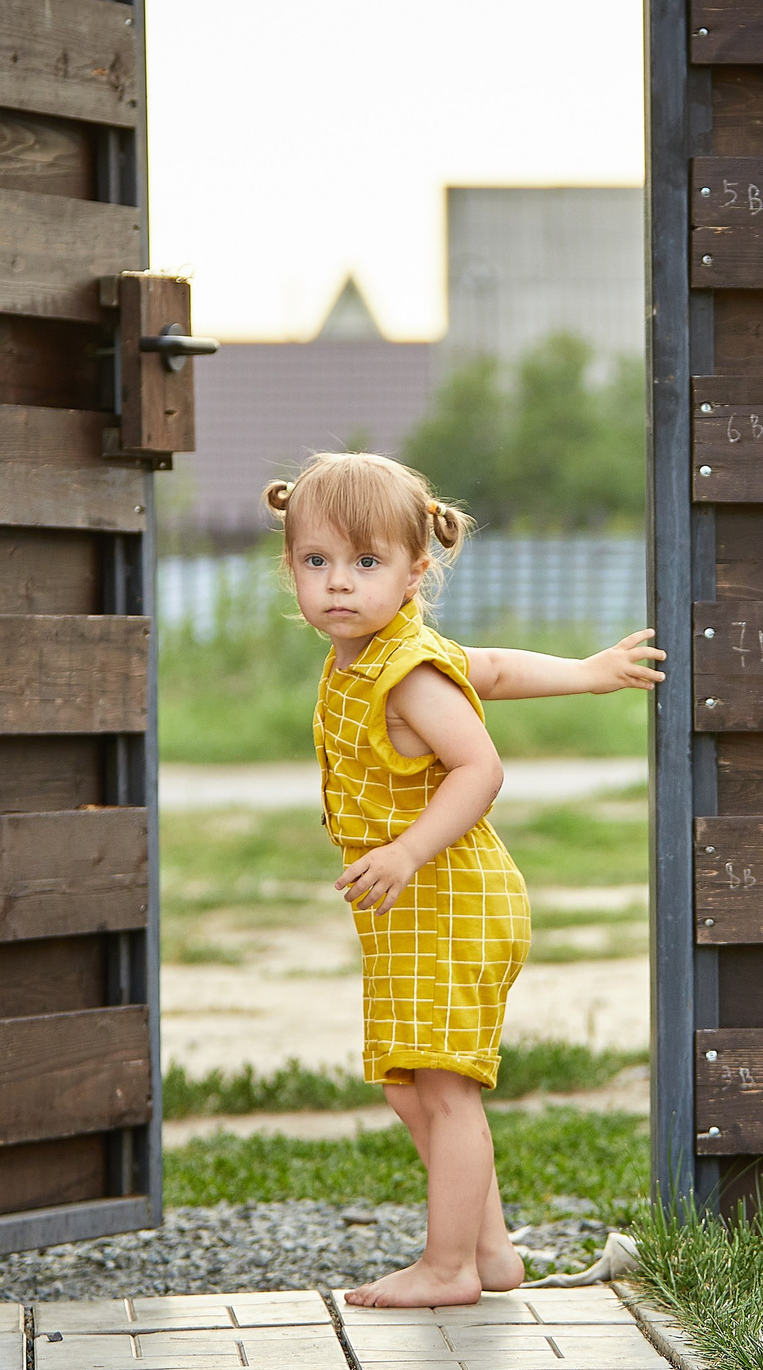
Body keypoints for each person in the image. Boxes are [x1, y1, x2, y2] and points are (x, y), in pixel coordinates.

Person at [268, 453, 664, 1308]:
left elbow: (478, 769)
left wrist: (407, 850)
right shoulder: (377, 655)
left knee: (443, 1089)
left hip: (447, 898)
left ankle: (447, 1268)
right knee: (408, 1084)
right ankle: (488, 1255)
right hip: (416, 908)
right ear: (291, 565)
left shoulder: (403, 670)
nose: (339, 584)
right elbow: (486, 668)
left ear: (415, 572)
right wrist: (585, 670)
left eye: (366, 564)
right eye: (317, 562)